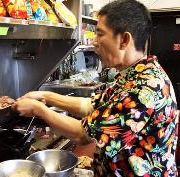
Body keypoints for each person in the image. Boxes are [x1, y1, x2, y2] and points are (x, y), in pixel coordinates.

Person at [12, 0, 179, 176]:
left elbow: (83, 135)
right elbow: (91, 105)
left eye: (100, 34)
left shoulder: (145, 88)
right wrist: (46, 96)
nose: (94, 42)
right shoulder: (134, 74)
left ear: (124, 40)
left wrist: (39, 110)